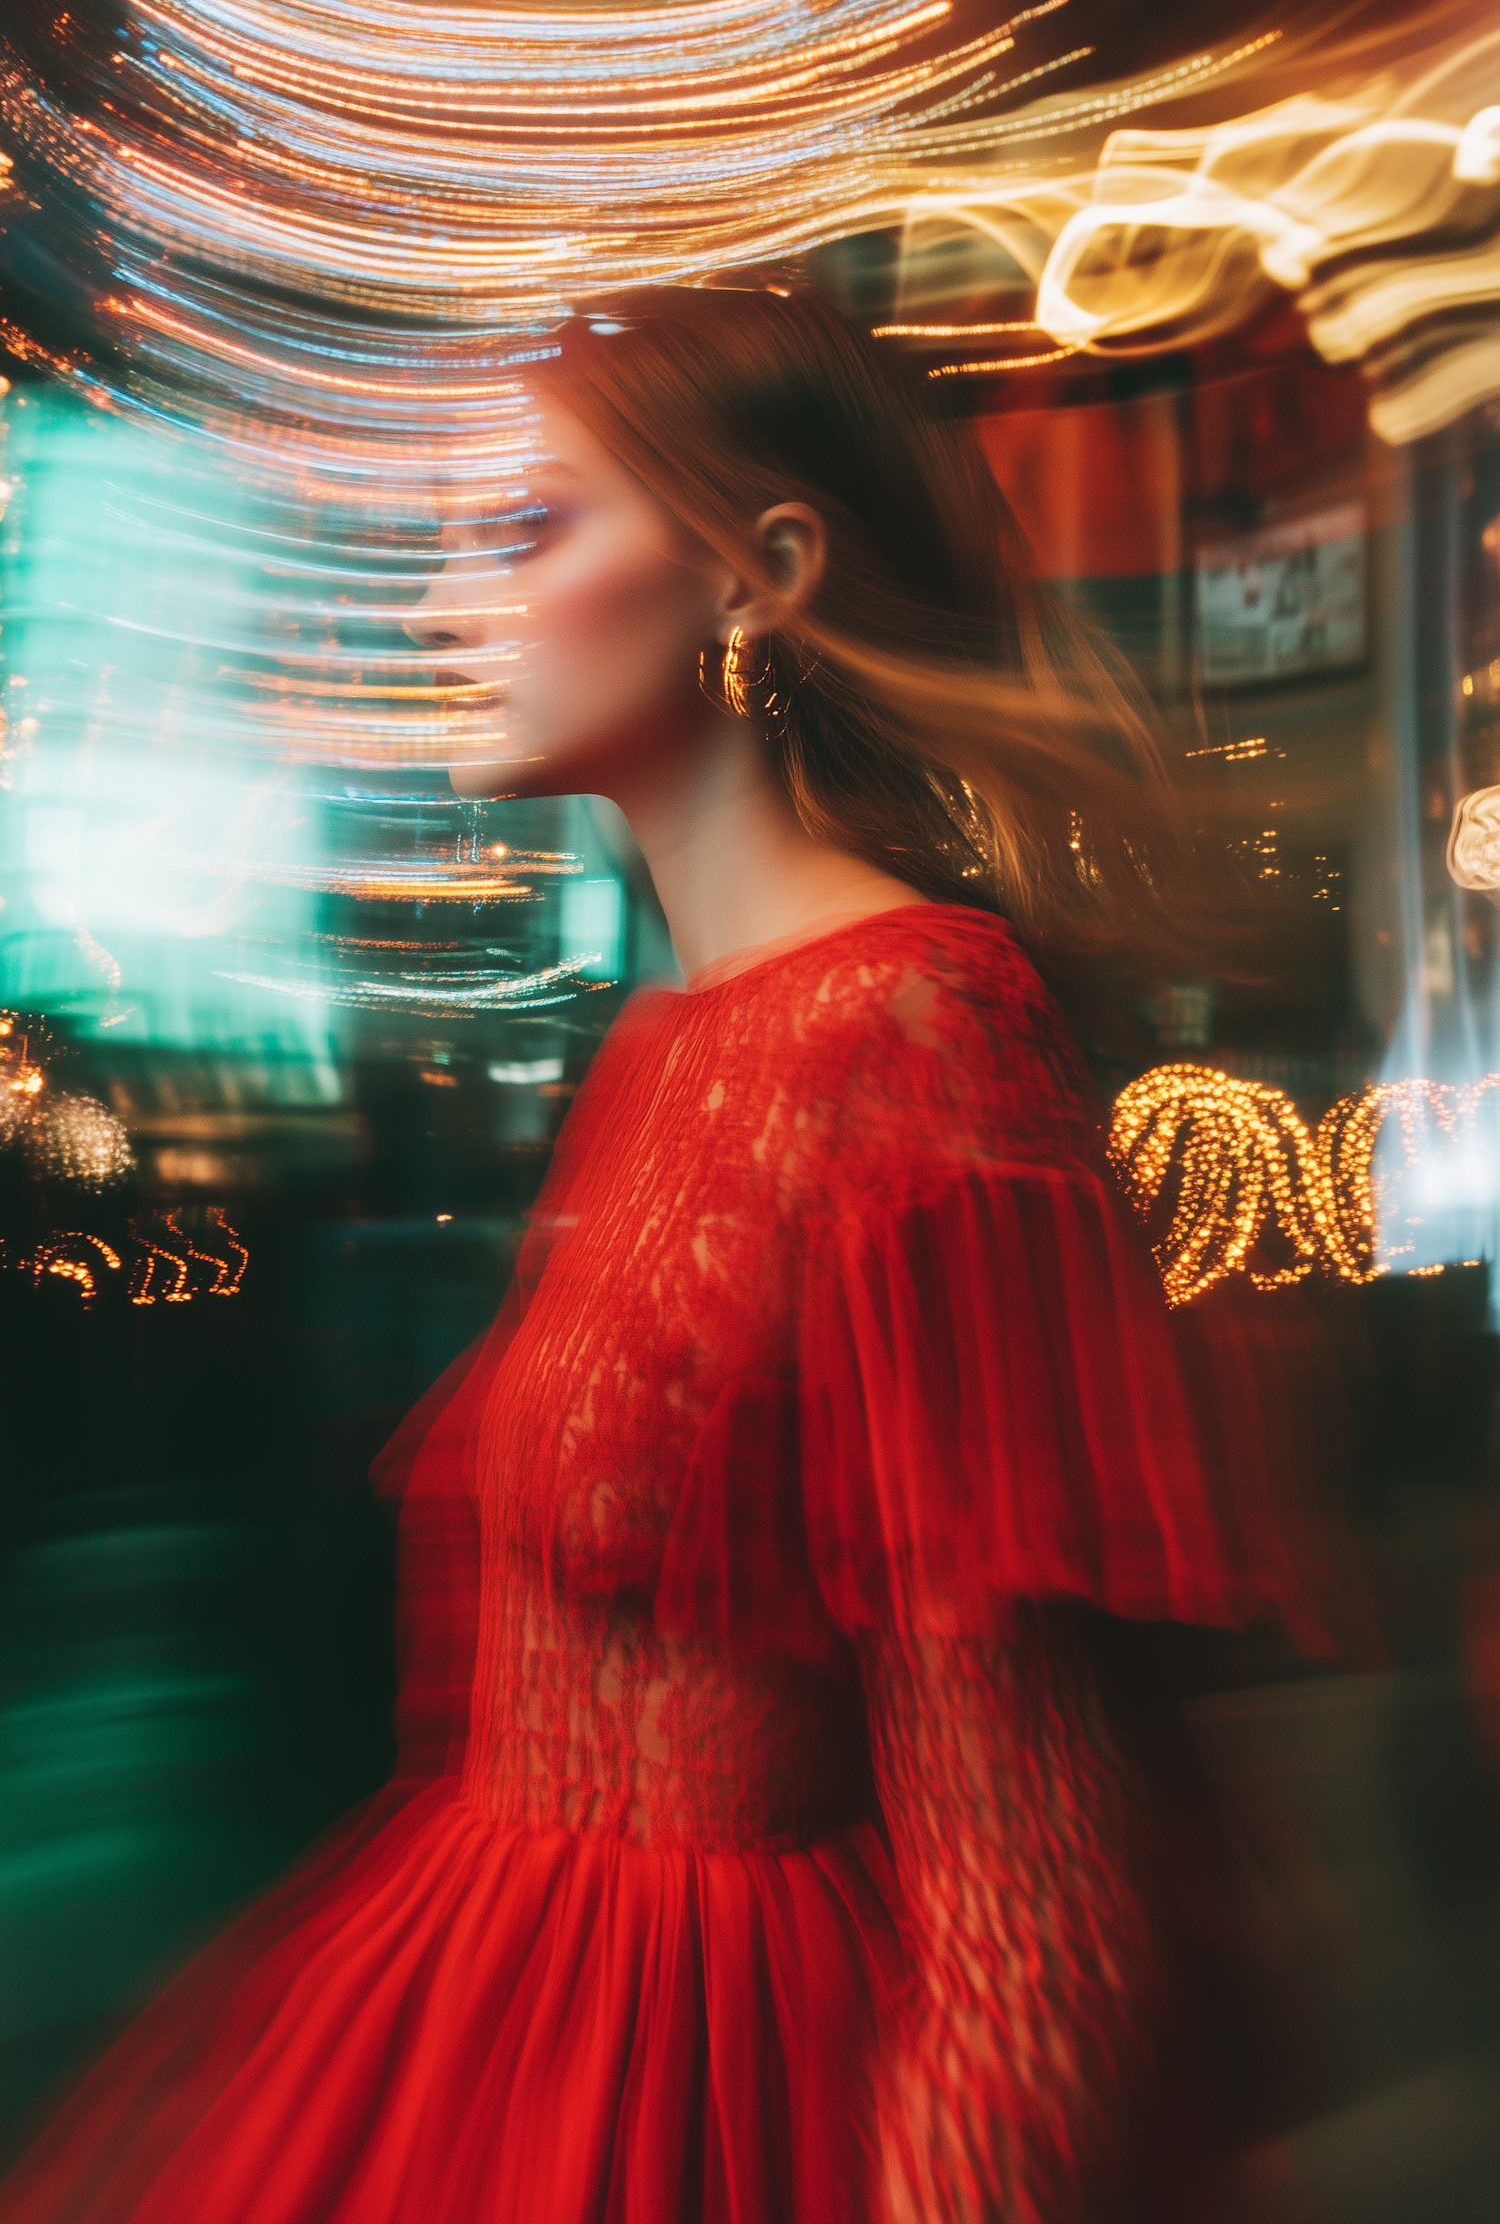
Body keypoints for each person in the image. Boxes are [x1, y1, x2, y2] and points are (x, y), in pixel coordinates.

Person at [1, 287, 1334, 2224]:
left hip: (711, 2088)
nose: (447, 609)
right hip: (501, 2014)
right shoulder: (674, 1038)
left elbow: (1034, 1907)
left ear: (759, 573)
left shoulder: (918, 1040)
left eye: (529, 533)